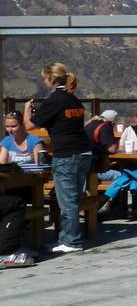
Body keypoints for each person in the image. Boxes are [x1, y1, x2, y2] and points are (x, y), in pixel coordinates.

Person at [24, 63, 92, 254]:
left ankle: (71, 241)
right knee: (75, 198)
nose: (44, 82)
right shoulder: (73, 99)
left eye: (45, 78)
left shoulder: (54, 100)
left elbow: (29, 126)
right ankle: (68, 237)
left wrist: (27, 109)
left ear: (51, 79)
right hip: (84, 152)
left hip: (66, 154)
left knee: (67, 201)